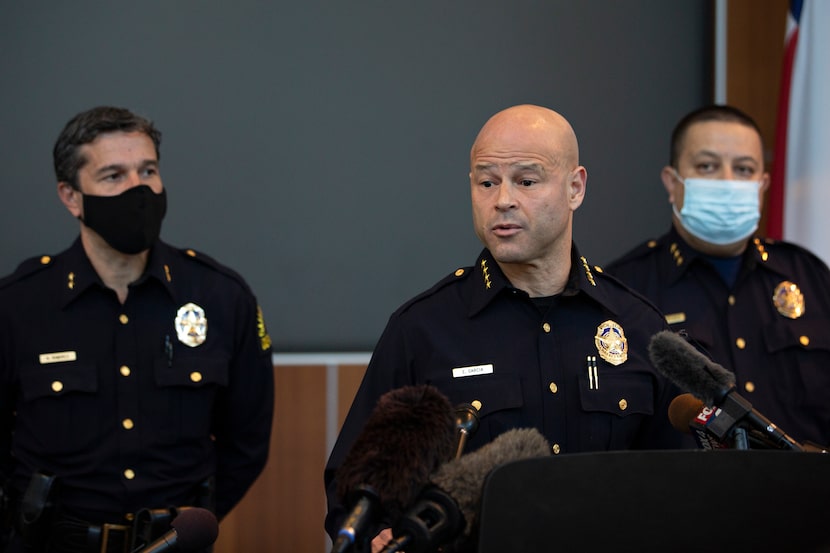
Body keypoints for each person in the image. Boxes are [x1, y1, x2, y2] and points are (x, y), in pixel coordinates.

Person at [324, 104, 685, 551]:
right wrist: (376, 537)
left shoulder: (635, 325)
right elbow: (354, 492)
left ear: (575, 188)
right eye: (487, 181)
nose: (503, 200)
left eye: (526, 181)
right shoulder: (423, 329)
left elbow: (681, 489)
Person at [0, 106, 275, 552]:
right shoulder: (18, 305)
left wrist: (183, 529)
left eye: (148, 171)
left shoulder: (221, 297)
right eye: (114, 176)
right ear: (71, 196)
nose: (139, 190)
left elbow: (247, 441)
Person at [606, 104, 830, 449]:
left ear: (762, 184)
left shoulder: (808, 276)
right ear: (672, 182)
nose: (727, 182)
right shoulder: (626, 290)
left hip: (807, 498)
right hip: (691, 500)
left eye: (743, 169)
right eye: (707, 166)